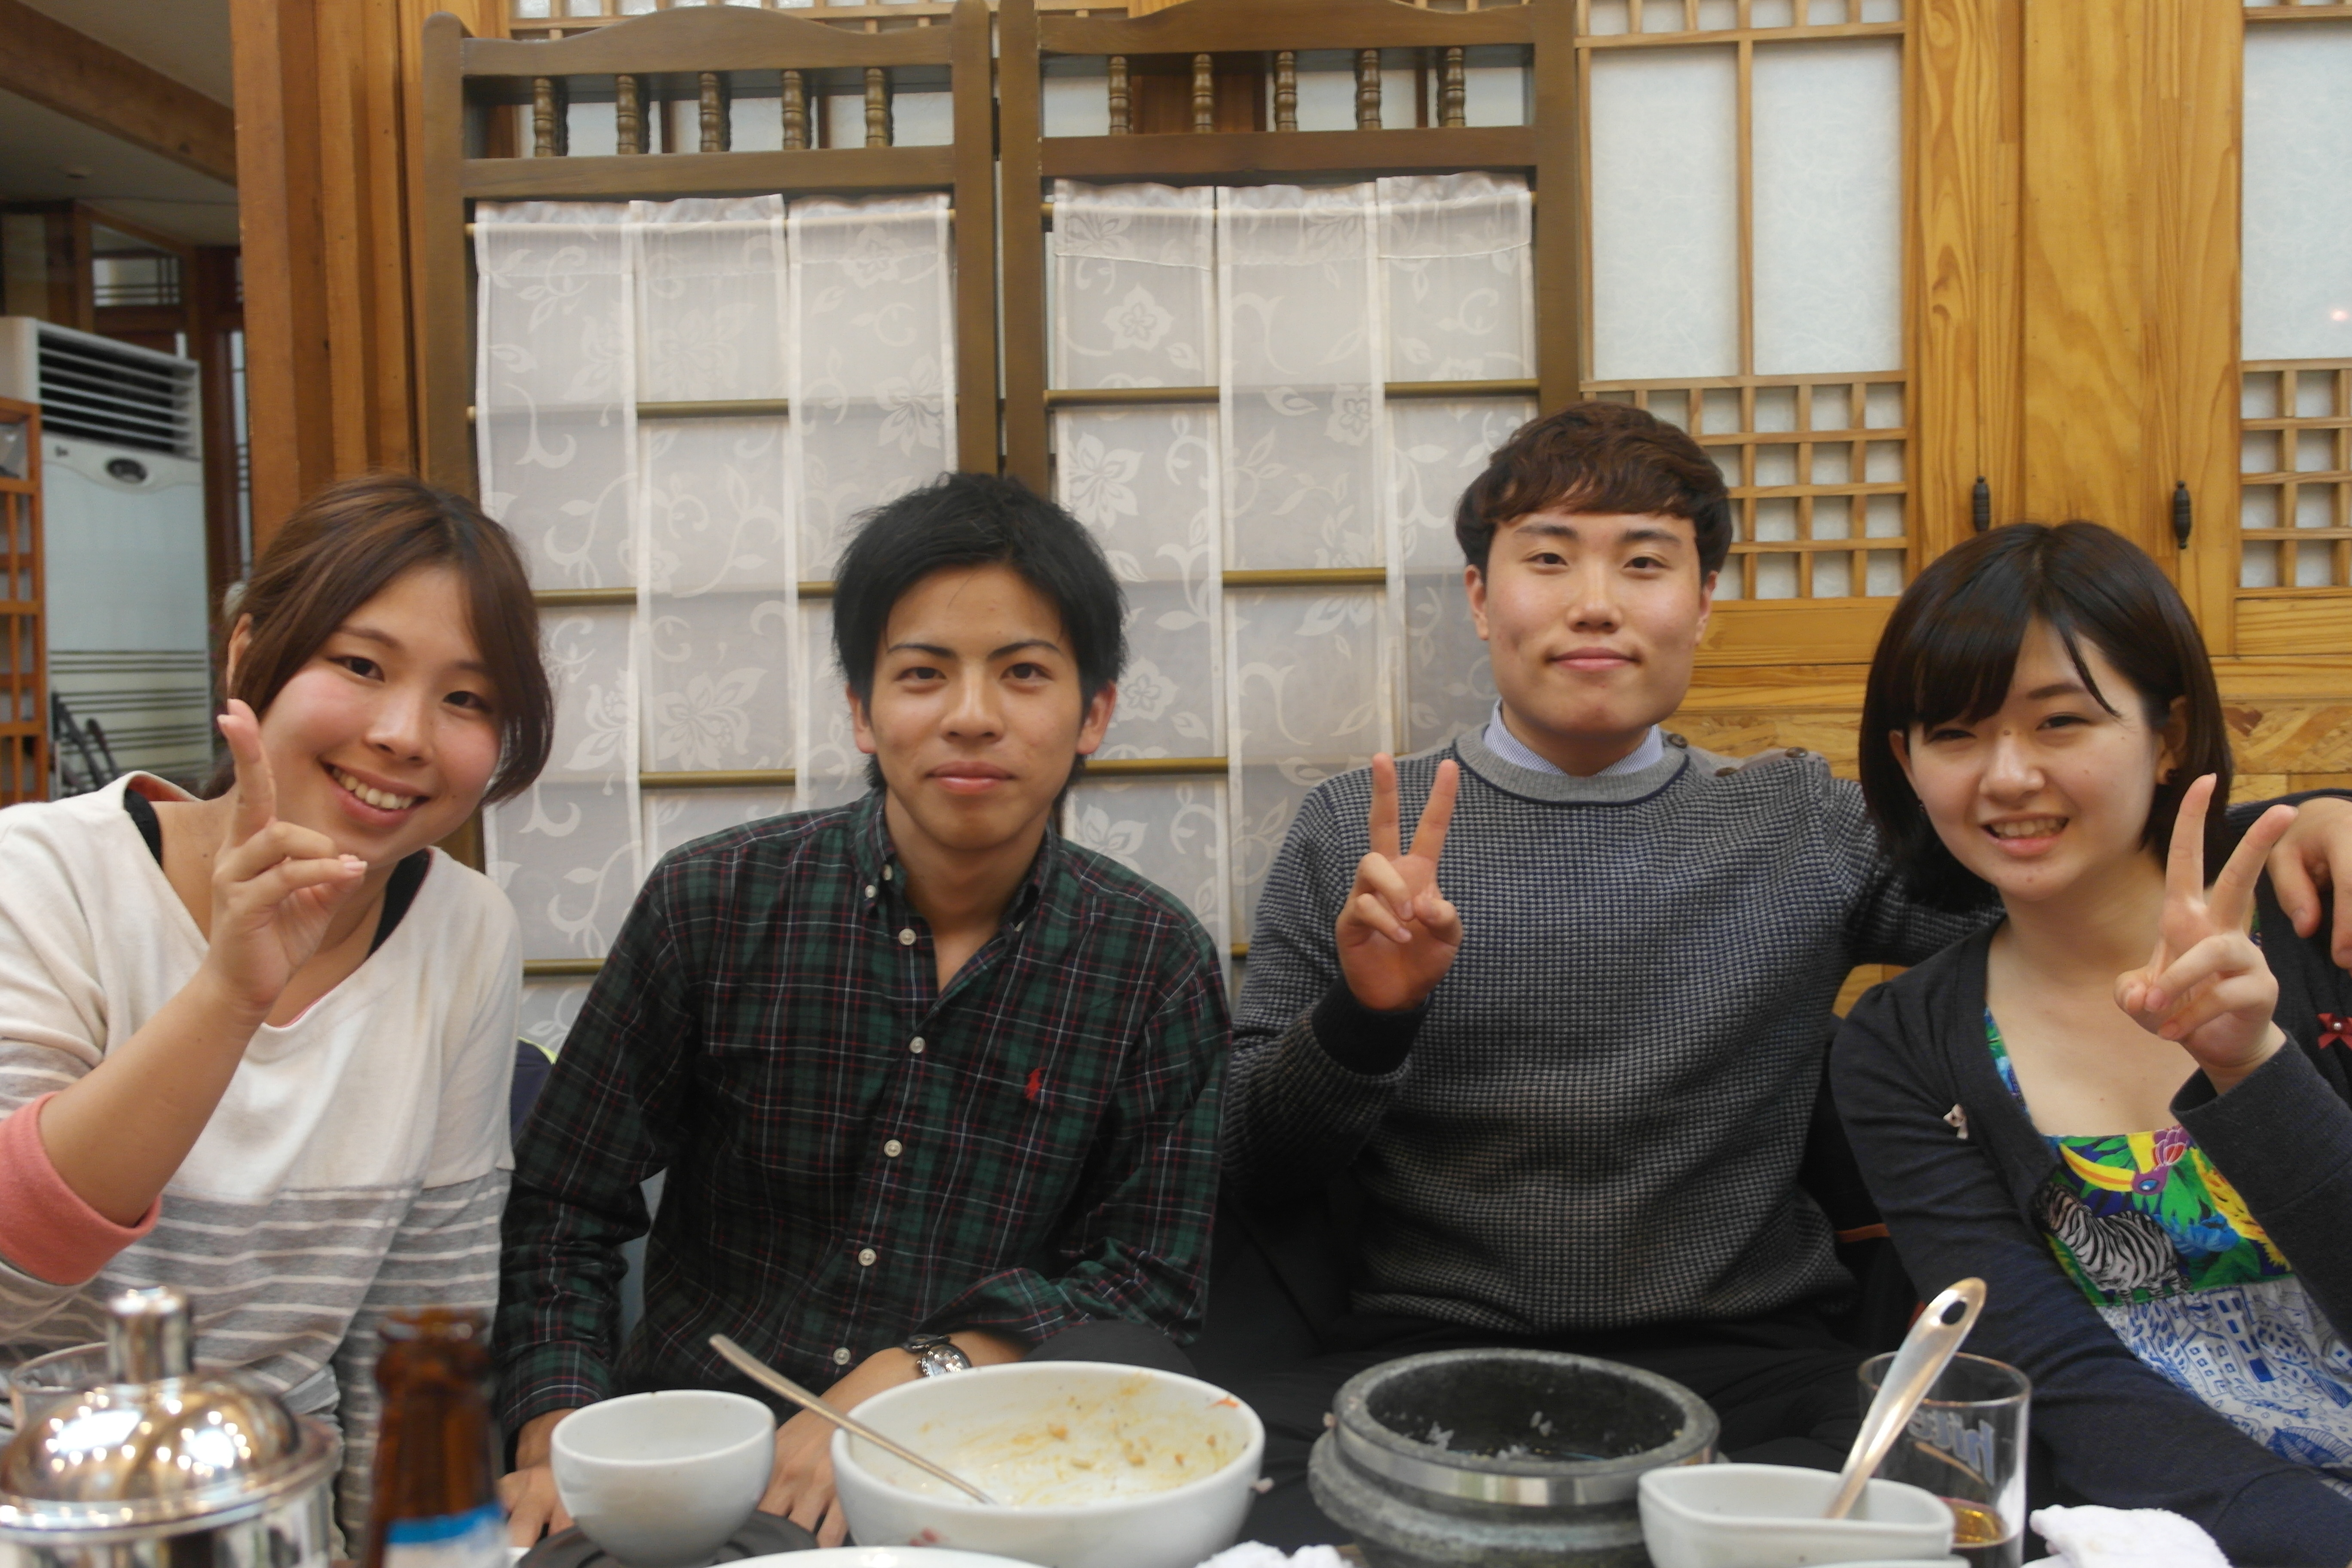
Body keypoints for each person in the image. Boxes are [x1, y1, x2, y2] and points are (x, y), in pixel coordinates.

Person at [1215, 402, 2352, 1547]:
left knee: (1924, 1492)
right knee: (1231, 1490)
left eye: (1645, 563)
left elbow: (2057, 869)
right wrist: (1369, 1016)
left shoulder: (1799, 821)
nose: (1595, 602)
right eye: (1549, 559)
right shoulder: (1356, 833)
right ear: (1479, 596)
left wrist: (2299, 823)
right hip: (1431, 1354)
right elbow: (1257, 1166)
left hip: (1752, 1365)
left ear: (1705, 601)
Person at [496, 473, 1229, 1550]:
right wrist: (560, 1437)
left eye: (1024, 673)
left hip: (974, 1477)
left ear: (1094, 715)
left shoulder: (1152, 960)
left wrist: (921, 1374)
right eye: (923, 673)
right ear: (860, 709)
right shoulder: (714, 902)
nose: (971, 716)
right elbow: (567, 1204)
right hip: (695, 1474)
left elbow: (1148, 1281)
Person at [0, 474, 554, 1540]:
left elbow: (419, 1336)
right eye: (361, 665)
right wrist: (228, 996)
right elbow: (9, 1283)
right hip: (44, 1507)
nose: (405, 734)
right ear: (249, 653)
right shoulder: (42, 875)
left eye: (468, 699)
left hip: (286, 1514)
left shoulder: (465, 929)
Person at [1832, 521, 2352, 1563]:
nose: (2007, 776)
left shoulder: (2324, 921)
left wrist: (2252, 1069)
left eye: (2061, 722)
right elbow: (2058, 1376)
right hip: (2177, 1528)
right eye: (1955, 734)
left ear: (2168, 734)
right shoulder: (1904, 1047)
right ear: (1906, 761)